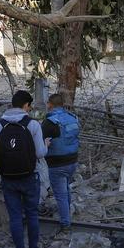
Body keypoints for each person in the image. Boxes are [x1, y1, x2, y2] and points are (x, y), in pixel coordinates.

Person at [0, 90, 47, 248]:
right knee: (32, 214)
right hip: (30, 176)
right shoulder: (33, 125)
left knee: (15, 216)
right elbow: (40, 153)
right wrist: (46, 144)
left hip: (8, 178)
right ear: (26, 105)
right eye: (29, 106)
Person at [42, 93, 81, 228]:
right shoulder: (73, 118)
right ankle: (68, 214)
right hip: (73, 161)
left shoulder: (49, 122)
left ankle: (65, 224)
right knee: (65, 189)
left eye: (48, 104)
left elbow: (41, 142)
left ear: (50, 104)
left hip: (57, 164)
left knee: (60, 194)